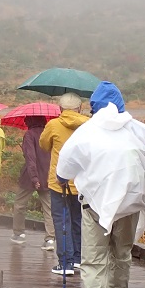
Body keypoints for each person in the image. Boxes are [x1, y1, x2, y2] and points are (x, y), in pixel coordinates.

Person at [57, 82, 145, 288]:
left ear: (94, 107)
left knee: (94, 258)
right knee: (121, 253)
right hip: (130, 203)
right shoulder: (139, 129)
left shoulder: (86, 131)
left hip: (95, 203)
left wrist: (63, 180)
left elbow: (64, 169)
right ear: (120, 105)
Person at [40, 93, 90, 274]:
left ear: (60, 108)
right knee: (78, 220)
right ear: (79, 108)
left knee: (62, 220)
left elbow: (44, 145)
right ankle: (77, 259)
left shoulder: (53, 125)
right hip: (81, 182)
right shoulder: (88, 125)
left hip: (59, 182)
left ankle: (65, 263)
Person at [10, 116, 55, 246]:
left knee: (20, 204)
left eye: (27, 119)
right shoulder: (49, 133)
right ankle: (50, 239)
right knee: (48, 208)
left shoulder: (29, 134)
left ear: (31, 120)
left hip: (29, 176)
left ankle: (19, 233)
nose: (25, 121)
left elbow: (30, 157)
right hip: (47, 175)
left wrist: (34, 177)